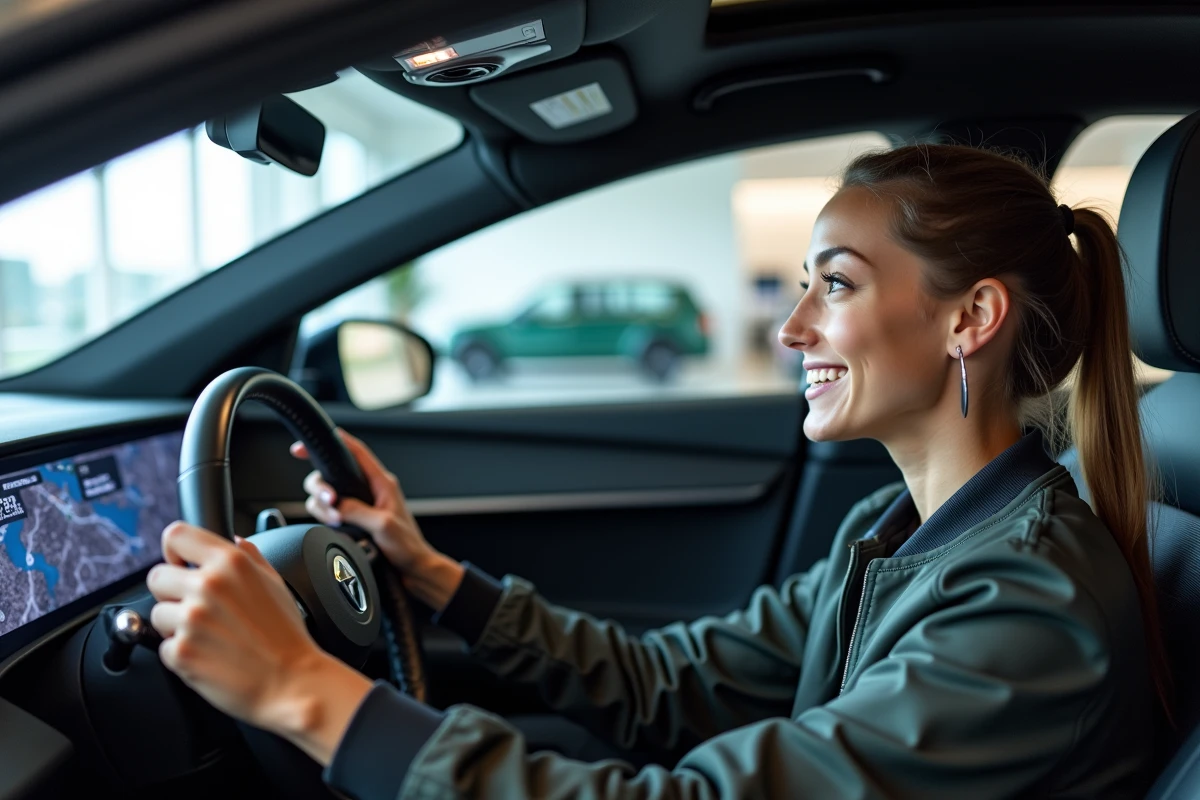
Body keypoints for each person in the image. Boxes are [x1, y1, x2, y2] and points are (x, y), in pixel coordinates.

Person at [145, 144, 1163, 799]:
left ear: (969, 318)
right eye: (803, 284)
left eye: (836, 285)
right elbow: (668, 682)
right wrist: (431, 573)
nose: (792, 323)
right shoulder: (893, 533)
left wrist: (303, 691)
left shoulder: (1027, 606)